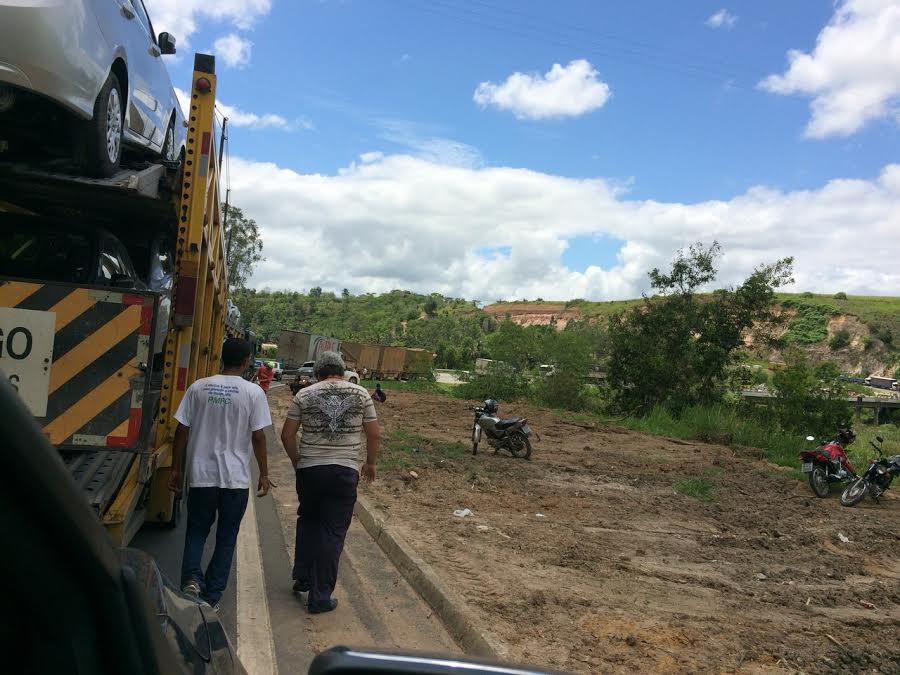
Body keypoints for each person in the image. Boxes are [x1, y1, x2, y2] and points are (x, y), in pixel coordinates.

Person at [168, 337, 273, 610]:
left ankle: (191, 578)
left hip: (202, 475)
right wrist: (263, 473)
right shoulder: (253, 393)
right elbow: (259, 437)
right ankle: (211, 597)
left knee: (196, 531)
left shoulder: (198, 388)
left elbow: (182, 431)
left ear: (221, 358)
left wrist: (177, 469)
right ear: (247, 361)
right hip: (235, 480)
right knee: (226, 538)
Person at [280, 351, 381, 614]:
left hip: (310, 470)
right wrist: (370, 463)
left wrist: (297, 461)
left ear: (318, 373)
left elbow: (287, 435)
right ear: (343, 370)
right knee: (332, 532)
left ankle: (302, 576)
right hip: (344, 472)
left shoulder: (304, 395)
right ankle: (320, 596)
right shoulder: (361, 394)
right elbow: (373, 433)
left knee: (308, 520)